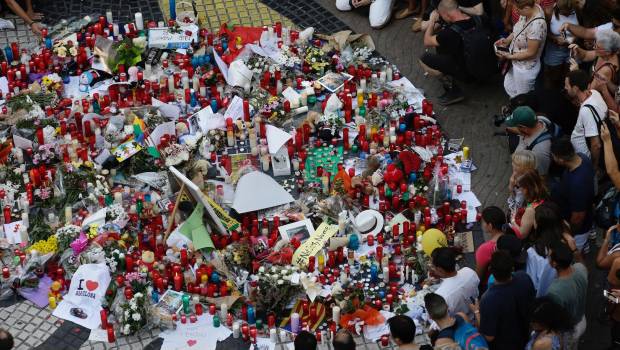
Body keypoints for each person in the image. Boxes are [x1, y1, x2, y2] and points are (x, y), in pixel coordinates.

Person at [470, 250, 535, 350]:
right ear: (512, 268)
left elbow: (489, 337)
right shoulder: (524, 277)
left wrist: (476, 311)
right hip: (525, 335)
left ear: (490, 270)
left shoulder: (489, 300)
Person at [419, 0, 476, 105]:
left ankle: (454, 91)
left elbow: (427, 41)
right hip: (484, 66)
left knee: (424, 59)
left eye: (441, 15)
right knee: (441, 47)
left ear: (446, 14)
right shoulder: (476, 18)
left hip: (467, 72)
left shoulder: (449, 33)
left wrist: (432, 21)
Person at [550, 137, 595, 251]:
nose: (553, 158)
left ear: (560, 159)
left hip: (579, 230)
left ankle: (583, 247)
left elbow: (578, 217)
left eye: (553, 156)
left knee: (575, 249)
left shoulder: (577, 184)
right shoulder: (582, 157)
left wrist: (569, 232)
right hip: (586, 217)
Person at [495, 0, 547, 99]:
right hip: (517, 62)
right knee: (509, 85)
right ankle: (515, 105)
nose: (516, 12)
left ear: (527, 8)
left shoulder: (537, 25)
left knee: (523, 98)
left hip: (525, 68)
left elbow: (531, 53)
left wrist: (510, 56)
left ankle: (520, 110)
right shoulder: (528, 11)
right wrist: (507, 41)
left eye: (518, 10)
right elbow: (517, 29)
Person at [527, 202, 579, 297]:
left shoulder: (534, 253)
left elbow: (532, 283)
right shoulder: (568, 240)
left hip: (546, 299)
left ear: (539, 225)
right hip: (567, 292)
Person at [546, 243, 588, 349]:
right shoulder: (580, 268)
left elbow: (557, 321)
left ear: (554, 263)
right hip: (581, 320)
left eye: (549, 256)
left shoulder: (555, 291)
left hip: (569, 331)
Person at [565, 69, 608, 169]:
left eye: (567, 85)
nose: (565, 88)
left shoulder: (586, 111)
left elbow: (596, 145)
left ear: (575, 88)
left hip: (585, 161)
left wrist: (593, 167)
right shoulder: (594, 93)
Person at [569, 30, 620, 112]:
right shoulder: (602, 54)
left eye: (597, 47)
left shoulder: (606, 70)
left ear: (607, 52)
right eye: (595, 43)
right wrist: (578, 50)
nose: (594, 47)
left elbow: (587, 94)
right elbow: (586, 55)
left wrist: (576, 72)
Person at [424, 292, 489, 350]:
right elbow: (476, 333)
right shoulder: (461, 316)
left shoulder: (441, 342)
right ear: (447, 306)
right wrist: (476, 311)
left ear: (430, 317)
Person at [431, 247, 480, 320]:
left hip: (460, 325)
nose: (432, 269)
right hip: (477, 313)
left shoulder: (441, 295)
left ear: (440, 269)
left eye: (433, 267)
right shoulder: (469, 271)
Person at [504, 106, 553, 176]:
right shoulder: (539, 119)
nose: (514, 127)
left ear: (524, 128)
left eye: (516, 126)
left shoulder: (539, 151)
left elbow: (541, 174)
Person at [543, 0, 578, 89]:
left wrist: (574, 39)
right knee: (553, 76)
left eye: (569, 12)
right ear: (558, 8)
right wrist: (555, 39)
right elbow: (543, 32)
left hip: (572, 49)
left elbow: (583, 30)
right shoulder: (549, 12)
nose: (567, 15)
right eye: (565, 12)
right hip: (555, 49)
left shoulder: (577, 10)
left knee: (569, 75)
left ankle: (566, 93)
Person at [509, 168, 548, 239]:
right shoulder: (542, 191)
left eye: (518, 186)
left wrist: (513, 220)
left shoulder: (531, 210)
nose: (518, 189)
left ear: (526, 189)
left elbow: (522, 234)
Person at [477, 206, 506, 282]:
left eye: (483, 221)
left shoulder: (485, 249)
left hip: (492, 283)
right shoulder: (511, 234)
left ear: (490, 226)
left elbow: (478, 277)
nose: (482, 223)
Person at [507, 150, 537, 221]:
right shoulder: (518, 174)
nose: (512, 164)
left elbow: (516, 207)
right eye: (513, 162)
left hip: (521, 213)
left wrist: (511, 188)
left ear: (524, 167)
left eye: (516, 164)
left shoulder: (524, 184)